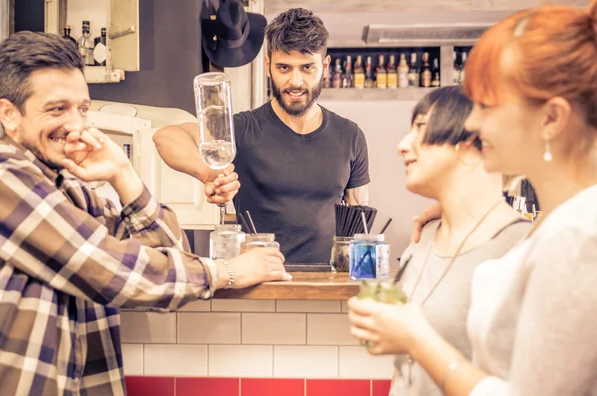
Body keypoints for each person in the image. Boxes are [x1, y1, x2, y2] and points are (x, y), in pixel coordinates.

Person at [0, 31, 291, 395]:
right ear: (9, 116)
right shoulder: (4, 180)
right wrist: (227, 271)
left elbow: (168, 250)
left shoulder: (68, 190)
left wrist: (124, 174)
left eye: (83, 109)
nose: (77, 125)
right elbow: (109, 270)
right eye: (57, 109)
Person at [349, 1, 597, 395]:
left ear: (551, 119)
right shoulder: (555, 223)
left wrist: (419, 339)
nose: (474, 124)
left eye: (487, 105)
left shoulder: (579, 236)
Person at [153, 8, 370, 264]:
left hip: (327, 284)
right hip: (259, 283)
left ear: (324, 66)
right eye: (284, 67)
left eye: (307, 67)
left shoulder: (350, 135)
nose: (296, 81)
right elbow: (167, 136)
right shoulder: (242, 128)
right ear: (268, 67)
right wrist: (208, 174)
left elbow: (359, 226)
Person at [392, 86, 529, 396]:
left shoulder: (519, 249)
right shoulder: (424, 236)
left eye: (421, 129)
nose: (402, 146)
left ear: (470, 145)